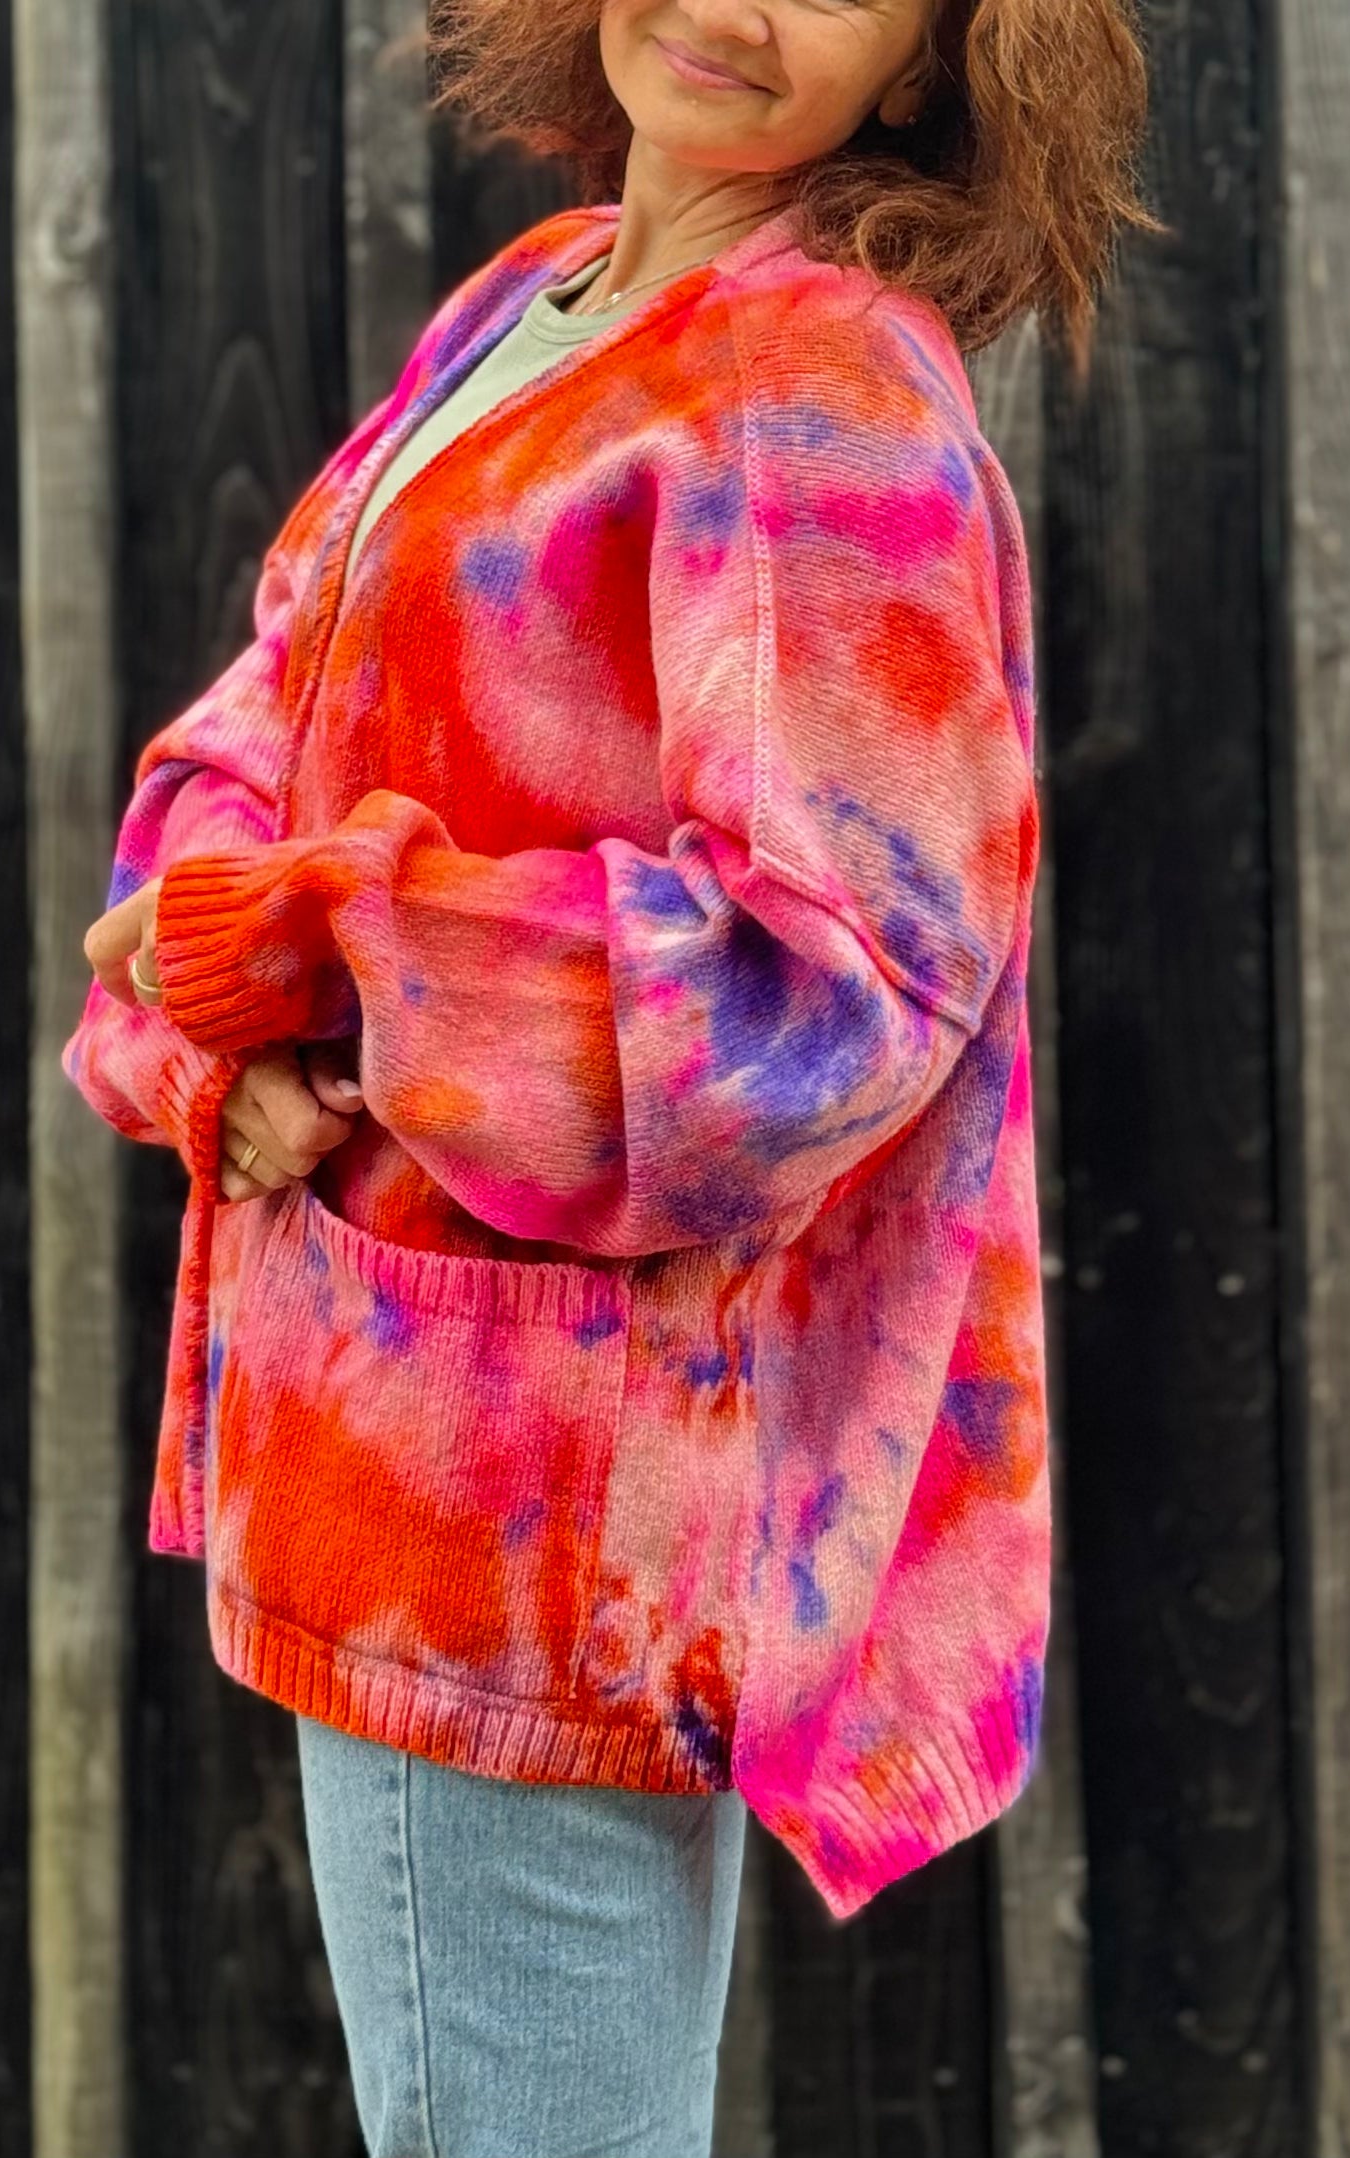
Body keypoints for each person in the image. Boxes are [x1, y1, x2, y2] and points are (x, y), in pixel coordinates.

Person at [65, 0, 1152, 2148]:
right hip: (389, 1461)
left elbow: (832, 989)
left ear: (933, 60)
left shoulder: (817, 392)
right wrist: (217, 1021)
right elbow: (257, 720)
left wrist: (326, 965)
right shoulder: (537, 295)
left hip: (537, 1519)